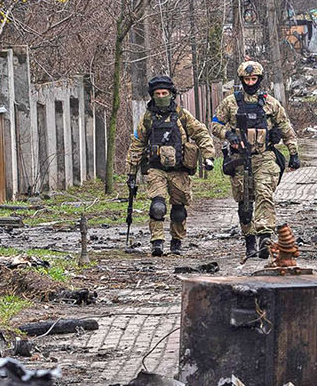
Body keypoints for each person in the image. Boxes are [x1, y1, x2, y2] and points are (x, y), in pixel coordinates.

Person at [210, 61, 302, 259]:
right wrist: (228, 135)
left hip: (265, 157)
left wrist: (293, 153)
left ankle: (264, 237)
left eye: (254, 79)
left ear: (259, 80)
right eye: (246, 79)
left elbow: (286, 127)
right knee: (245, 203)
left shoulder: (270, 103)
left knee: (264, 193)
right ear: (241, 80)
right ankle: (249, 240)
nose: (250, 83)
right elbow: (215, 124)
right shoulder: (230, 103)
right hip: (239, 159)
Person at [126, 75, 215, 257]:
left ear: (171, 94)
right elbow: (137, 144)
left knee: (179, 211)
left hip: (179, 170)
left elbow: (201, 133)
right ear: (152, 95)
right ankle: (157, 242)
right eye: (157, 93)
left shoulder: (182, 115)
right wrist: (131, 172)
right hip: (156, 169)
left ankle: (176, 241)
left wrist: (208, 156)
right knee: (157, 206)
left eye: (164, 93)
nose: (161, 96)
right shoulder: (147, 118)